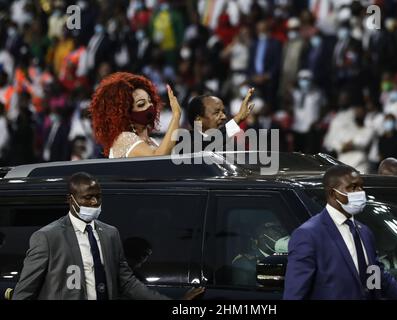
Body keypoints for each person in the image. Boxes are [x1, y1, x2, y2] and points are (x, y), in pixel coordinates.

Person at [13, 172, 204, 300]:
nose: (95, 202)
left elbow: (127, 282)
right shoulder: (47, 238)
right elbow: (24, 292)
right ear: (70, 200)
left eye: (98, 196)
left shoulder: (110, 234)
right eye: (88, 197)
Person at [283, 165, 397, 300]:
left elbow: (377, 277)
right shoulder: (309, 235)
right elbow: (295, 293)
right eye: (353, 187)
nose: (360, 192)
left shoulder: (365, 232)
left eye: (361, 187)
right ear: (332, 193)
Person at [89, 72, 182, 158]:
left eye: (150, 101)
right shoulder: (124, 138)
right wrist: (176, 116)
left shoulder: (152, 141)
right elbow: (158, 159)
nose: (149, 106)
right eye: (141, 104)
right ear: (125, 113)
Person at [182, 88, 255, 151]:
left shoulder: (229, 145)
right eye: (216, 113)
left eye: (224, 112)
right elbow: (208, 144)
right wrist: (238, 118)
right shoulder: (186, 142)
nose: (224, 117)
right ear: (199, 120)